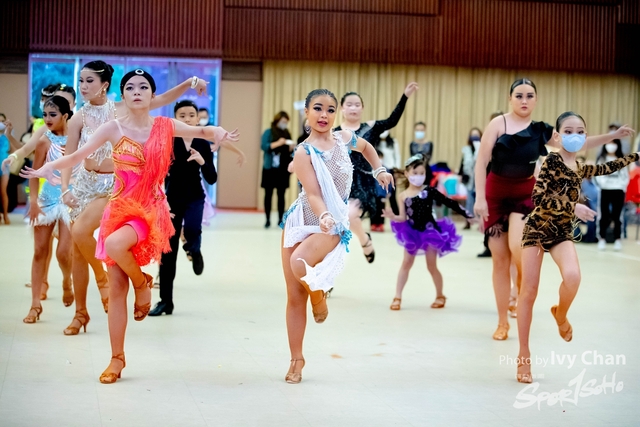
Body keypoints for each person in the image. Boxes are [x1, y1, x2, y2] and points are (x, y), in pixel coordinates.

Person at [21, 69, 239, 384]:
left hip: (149, 209)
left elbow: (203, 130)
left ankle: (142, 284)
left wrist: (218, 132)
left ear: (152, 95)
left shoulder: (164, 126)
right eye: (131, 87)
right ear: (123, 96)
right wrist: (47, 168)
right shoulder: (112, 128)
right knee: (116, 288)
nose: (137, 91)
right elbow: (78, 154)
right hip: (118, 209)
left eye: (144, 87)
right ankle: (117, 358)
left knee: (113, 246)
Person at [52, 61, 207, 336]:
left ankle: (106, 281)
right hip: (84, 185)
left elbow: (162, 99)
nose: (83, 86)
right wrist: (65, 188)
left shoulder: (123, 107)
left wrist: (189, 82)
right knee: (77, 248)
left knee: (81, 232)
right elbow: (71, 156)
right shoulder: (78, 118)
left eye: (89, 81)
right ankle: (81, 313)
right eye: (81, 81)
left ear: (105, 85)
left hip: (116, 186)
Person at [474, 78, 633, 341]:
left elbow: (578, 142)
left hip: (525, 194)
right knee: (499, 260)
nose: (524, 100)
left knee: (518, 251)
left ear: (536, 99)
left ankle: (519, 293)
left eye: (529, 96)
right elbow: (482, 162)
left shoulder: (540, 130)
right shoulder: (498, 124)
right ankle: (502, 321)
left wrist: (612, 136)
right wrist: (479, 197)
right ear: (510, 98)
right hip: (495, 195)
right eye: (519, 95)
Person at [515, 112, 638, 383]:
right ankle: (524, 355)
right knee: (529, 292)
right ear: (558, 136)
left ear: (585, 136)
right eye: (568, 131)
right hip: (537, 229)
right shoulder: (551, 161)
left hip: (560, 232)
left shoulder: (580, 166)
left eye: (580, 131)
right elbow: (538, 198)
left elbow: (606, 168)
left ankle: (560, 314)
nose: (575, 135)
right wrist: (574, 207)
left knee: (573, 277)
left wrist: (635, 156)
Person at [280, 88, 393, 384]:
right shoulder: (303, 152)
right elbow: (313, 194)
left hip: (334, 223)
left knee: (299, 263)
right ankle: (296, 359)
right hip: (304, 219)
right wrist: (322, 215)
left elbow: (368, 149)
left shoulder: (344, 138)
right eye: (318, 108)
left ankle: (318, 295)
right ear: (307, 112)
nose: (324, 115)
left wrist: (379, 170)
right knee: (294, 295)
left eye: (330, 110)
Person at [335, 82, 418, 263]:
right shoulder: (334, 133)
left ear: (362, 108)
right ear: (342, 108)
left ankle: (364, 241)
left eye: (357, 105)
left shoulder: (371, 127)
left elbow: (392, 121)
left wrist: (405, 96)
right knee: (343, 222)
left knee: (350, 214)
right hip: (341, 183)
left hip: (364, 182)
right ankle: (364, 240)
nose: (353, 108)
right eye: (349, 104)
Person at [149, 100, 218, 317]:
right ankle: (165, 302)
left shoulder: (203, 143)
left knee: (191, 231)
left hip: (195, 197)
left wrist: (202, 161)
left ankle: (194, 251)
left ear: (198, 119)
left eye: (191, 115)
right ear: (174, 120)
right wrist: (159, 200)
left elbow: (212, 178)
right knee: (167, 252)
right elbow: (157, 174)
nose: (187, 119)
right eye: (182, 115)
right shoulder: (168, 143)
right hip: (171, 201)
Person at [383, 154, 472, 311]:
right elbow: (402, 217)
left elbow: (448, 202)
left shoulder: (429, 190)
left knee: (431, 266)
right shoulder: (402, 196)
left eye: (422, 173)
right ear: (407, 173)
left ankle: (440, 295)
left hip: (430, 232)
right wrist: (392, 217)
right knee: (406, 263)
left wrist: (467, 214)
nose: (419, 176)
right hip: (412, 232)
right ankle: (397, 296)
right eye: (415, 173)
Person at [22, 96, 78, 323]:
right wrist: (34, 202)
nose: (47, 119)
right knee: (39, 251)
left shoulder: (79, 138)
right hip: (47, 200)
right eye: (45, 114)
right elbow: (34, 174)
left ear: (65, 115)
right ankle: (35, 304)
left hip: (70, 200)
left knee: (63, 252)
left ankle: (66, 281)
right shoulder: (44, 141)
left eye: (52, 114)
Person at [261, 111, 294, 227]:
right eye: (283, 121)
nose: (284, 124)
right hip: (269, 168)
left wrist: (291, 148)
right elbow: (264, 146)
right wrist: (278, 143)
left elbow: (288, 152)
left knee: (281, 195)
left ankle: (280, 219)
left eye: (286, 122)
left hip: (282, 169)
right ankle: (267, 219)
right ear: (277, 121)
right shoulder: (269, 132)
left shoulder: (287, 133)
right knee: (268, 194)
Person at [595, 139, 629, 251]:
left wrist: (622, 186)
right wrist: (603, 183)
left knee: (617, 216)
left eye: (614, 143)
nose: (611, 145)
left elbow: (625, 176)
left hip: (618, 190)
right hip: (605, 190)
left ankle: (618, 239)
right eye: (609, 142)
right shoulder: (601, 159)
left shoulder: (622, 159)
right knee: (603, 215)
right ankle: (602, 238)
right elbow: (598, 174)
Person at [459, 127, 482, 229]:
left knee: (480, 200)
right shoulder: (466, 149)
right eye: (473, 135)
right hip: (469, 179)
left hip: (480, 178)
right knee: (469, 201)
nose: (474, 137)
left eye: (476, 135)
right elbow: (462, 163)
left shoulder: (482, 148)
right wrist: (460, 174)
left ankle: (481, 223)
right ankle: (468, 222)